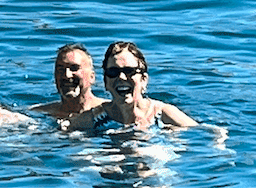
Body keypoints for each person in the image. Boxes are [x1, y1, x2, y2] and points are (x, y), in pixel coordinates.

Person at [67, 41, 197, 134]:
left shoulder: (162, 114)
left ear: (144, 80)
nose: (121, 77)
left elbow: (202, 134)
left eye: (129, 71)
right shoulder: (93, 119)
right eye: (113, 72)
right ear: (106, 82)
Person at [34, 43, 106, 120]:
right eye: (60, 69)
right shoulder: (39, 113)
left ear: (92, 77)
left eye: (74, 68)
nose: (66, 75)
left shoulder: (109, 112)